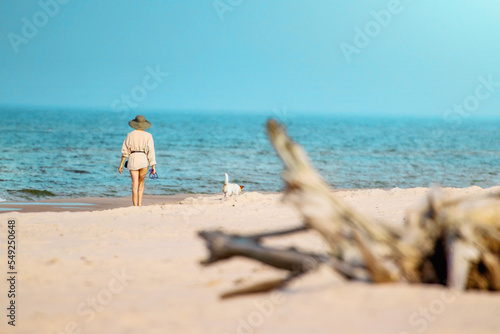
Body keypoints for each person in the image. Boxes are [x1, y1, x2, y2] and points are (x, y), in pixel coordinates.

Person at [119, 115, 157, 206]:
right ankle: (140, 204)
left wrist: (121, 164)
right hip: (143, 159)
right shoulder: (148, 136)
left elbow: (125, 151)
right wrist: (153, 166)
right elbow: (151, 151)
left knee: (134, 184)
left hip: (133, 159)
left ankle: (134, 205)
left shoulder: (130, 135)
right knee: (141, 183)